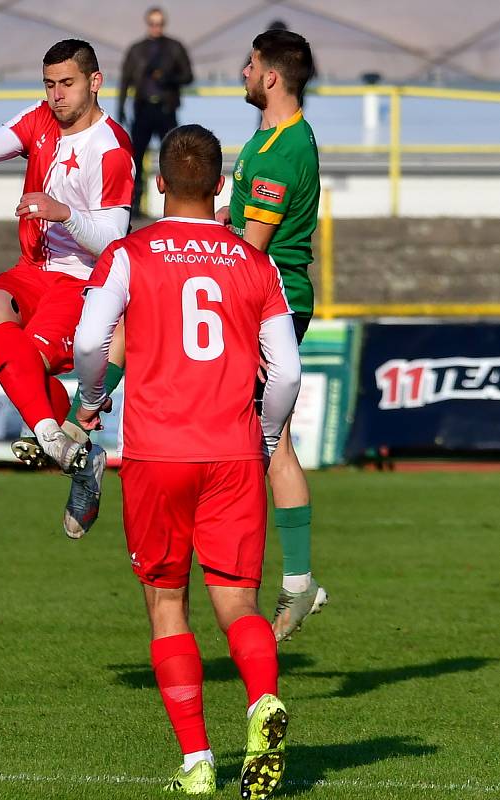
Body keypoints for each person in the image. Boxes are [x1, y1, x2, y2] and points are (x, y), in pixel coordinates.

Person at [73, 125, 301, 797]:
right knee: (238, 602)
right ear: (222, 185)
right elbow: (284, 372)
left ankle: (197, 763)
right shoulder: (252, 264)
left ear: (161, 183)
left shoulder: (128, 253)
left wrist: (90, 398)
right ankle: (261, 700)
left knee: (166, 606)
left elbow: (91, 339)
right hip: (231, 453)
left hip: (154, 454)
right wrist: (262, 438)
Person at [0, 40, 134, 534]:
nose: (57, 95)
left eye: (66, 84)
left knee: (30, 357)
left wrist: (63, 212)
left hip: (80, 280)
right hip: (31, 268)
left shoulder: (112, 150)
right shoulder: (39, 118)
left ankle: (67, 449)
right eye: (49, 84)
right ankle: (67, 446)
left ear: (95, 82)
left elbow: (113, 237)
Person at [217, 29, 327, 642]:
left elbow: (251, 250)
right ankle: (296, 581)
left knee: (253, 443)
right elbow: (239, 228)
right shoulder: (268, 138)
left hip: (272, 305)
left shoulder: (283, 151)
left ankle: (270, 578)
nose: (243, 72)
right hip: (265, 302)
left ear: (272, 77)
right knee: (272, 442)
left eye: (251, 65)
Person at [118, 6, 193, 217]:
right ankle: (133, 206)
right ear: (147, 23)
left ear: (164, 24)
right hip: (142, 109)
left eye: (159, 23)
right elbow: (125, 80)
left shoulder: (175, 47)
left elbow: (188, 75)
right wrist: (121, 107)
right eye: (152, 23)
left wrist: (168, 78)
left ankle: (177, 205)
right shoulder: (136, 49)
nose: (155, 28)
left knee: (173, 156)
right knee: (136, 158)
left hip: (166, 109)